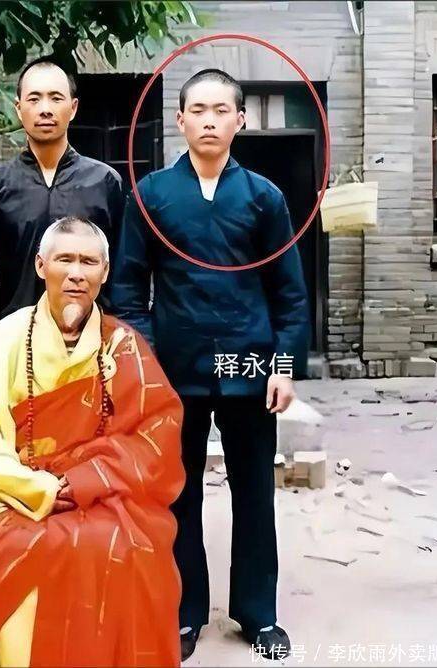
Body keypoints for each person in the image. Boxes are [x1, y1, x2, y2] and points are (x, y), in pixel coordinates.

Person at [0, 217, 185, 668]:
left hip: (101, 493)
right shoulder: (0, 340)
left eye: (88, 262)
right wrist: (36, 487)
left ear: (105, 272)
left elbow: (155, 434)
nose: (76, 273)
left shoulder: (124, 345)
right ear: (41, 266)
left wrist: (84, 480)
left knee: (129, 549)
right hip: (8, 491)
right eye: (65, 259)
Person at [111, 69, 311, 662]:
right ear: (179, 120)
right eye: (198, 110)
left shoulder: (264, 197)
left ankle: (259, 613)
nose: (209, 121)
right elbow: (128, 288)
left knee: (254, 491)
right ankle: (183, 611)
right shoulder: (151, 196)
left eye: (221, 110)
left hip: (249, 364)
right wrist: (146, 361)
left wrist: (283, 365)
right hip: (177, 367)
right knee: (178, 494)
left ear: (239, 121)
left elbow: (289, 292)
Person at [0, 56, 124, 317]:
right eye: (34, 99)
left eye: (56, 98)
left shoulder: (105, 181)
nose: (45, 109)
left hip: (89, 329)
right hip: (16, 327)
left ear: (73, 107)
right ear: (18, 108)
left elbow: (120, 269)